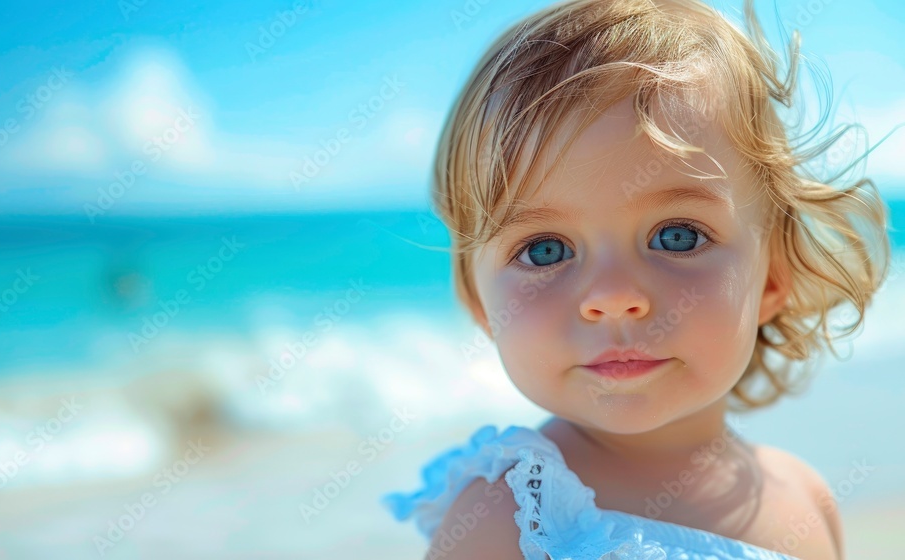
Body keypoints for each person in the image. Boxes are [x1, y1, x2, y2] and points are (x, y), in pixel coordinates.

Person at [381, 0, 893, 558]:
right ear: (481, 303)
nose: (613, 298)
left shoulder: (805, 499)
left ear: (772, 277)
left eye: (677, 236)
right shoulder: (514, 522)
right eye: (544, 249)